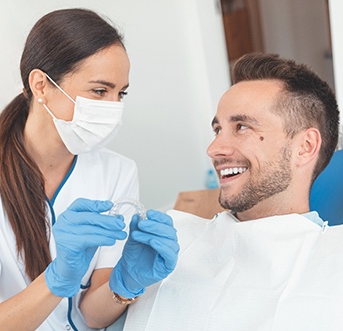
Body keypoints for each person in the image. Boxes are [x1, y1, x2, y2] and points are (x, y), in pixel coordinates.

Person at [122, 53, 343, 331]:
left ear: (305, 147)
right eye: (218, 129)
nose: (214, 149)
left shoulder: (333, 261)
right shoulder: (174, 241)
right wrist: (120, 288)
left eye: (242, 127)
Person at [0, 8, 178, 331]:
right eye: (99, 91)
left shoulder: (117, 172)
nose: (113, 108)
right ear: (41, 85)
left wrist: (124, 284)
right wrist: (55, 280)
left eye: (120, 93)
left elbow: (92, 316)